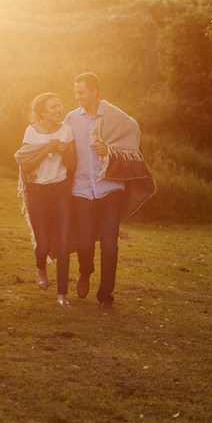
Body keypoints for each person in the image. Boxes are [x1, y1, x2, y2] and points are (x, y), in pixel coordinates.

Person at [63, 72, 155, 311]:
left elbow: (132, 136)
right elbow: (62, 145)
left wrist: (109, 150)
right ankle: (85, 272)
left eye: (81, 92)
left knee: (109, 244)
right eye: (76, 92)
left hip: (110, 186)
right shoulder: (71, 119)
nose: (77, 96)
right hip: (81, 189)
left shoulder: (116, 116)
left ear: (94, 91)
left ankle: (106, 296)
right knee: (84, 244)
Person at [15, 92, 76, 307]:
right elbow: (26, 165)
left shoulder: (67, 131)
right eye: (53, 107)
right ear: (42, 112)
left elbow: (71, 166)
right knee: (43, 244)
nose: (58, 110)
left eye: (59, 105)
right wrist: (47, 148)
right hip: (37, 192)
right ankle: (41, 267)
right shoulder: (31, 132)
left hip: (61, 191)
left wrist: (64, 150)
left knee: (62, 243)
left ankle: (61, 296)